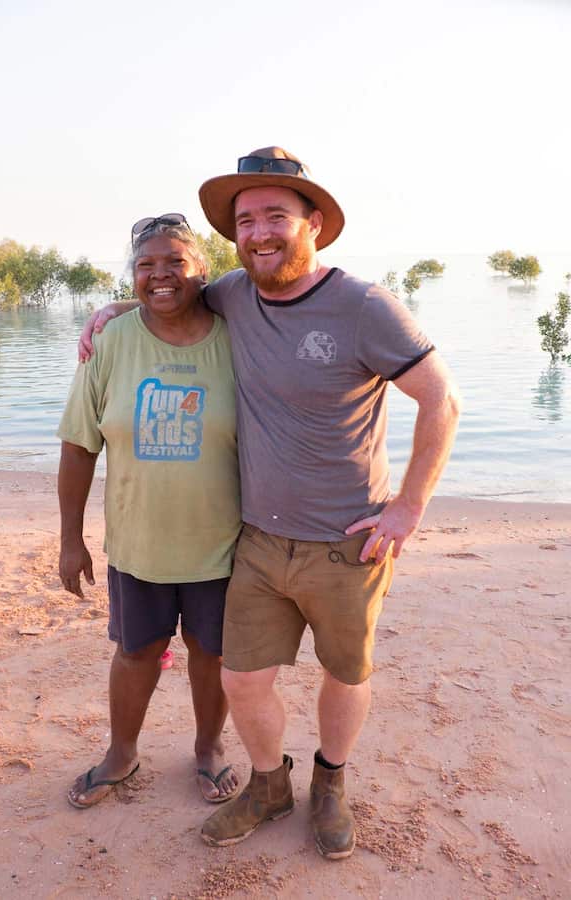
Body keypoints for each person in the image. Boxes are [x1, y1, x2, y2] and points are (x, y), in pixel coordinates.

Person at [78, 148, 461, 859]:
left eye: (275, 215)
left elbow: (441, 399)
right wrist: (114, 309)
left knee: (346, 674)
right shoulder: (233, 294)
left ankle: (332, 783)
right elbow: (171, 292)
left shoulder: (364, 305)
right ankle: (266, 782)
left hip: (348, 541)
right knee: (241, 677)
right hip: (254, 541)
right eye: (246, 219)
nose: (259, 232)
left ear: (312, 222)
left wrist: (407, 508)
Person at [58, 215, 242, 808]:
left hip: (224, 543)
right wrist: (70, 539)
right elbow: (79, 444)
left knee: (211, 655)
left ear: (202, 269)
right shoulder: (110, 343)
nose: (160, 275)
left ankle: (209, 748)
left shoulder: (237, 337)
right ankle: (122, 754)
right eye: (146, 265)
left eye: (175, 263)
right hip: (139, 544)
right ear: (133, 275)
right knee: (135, 652)